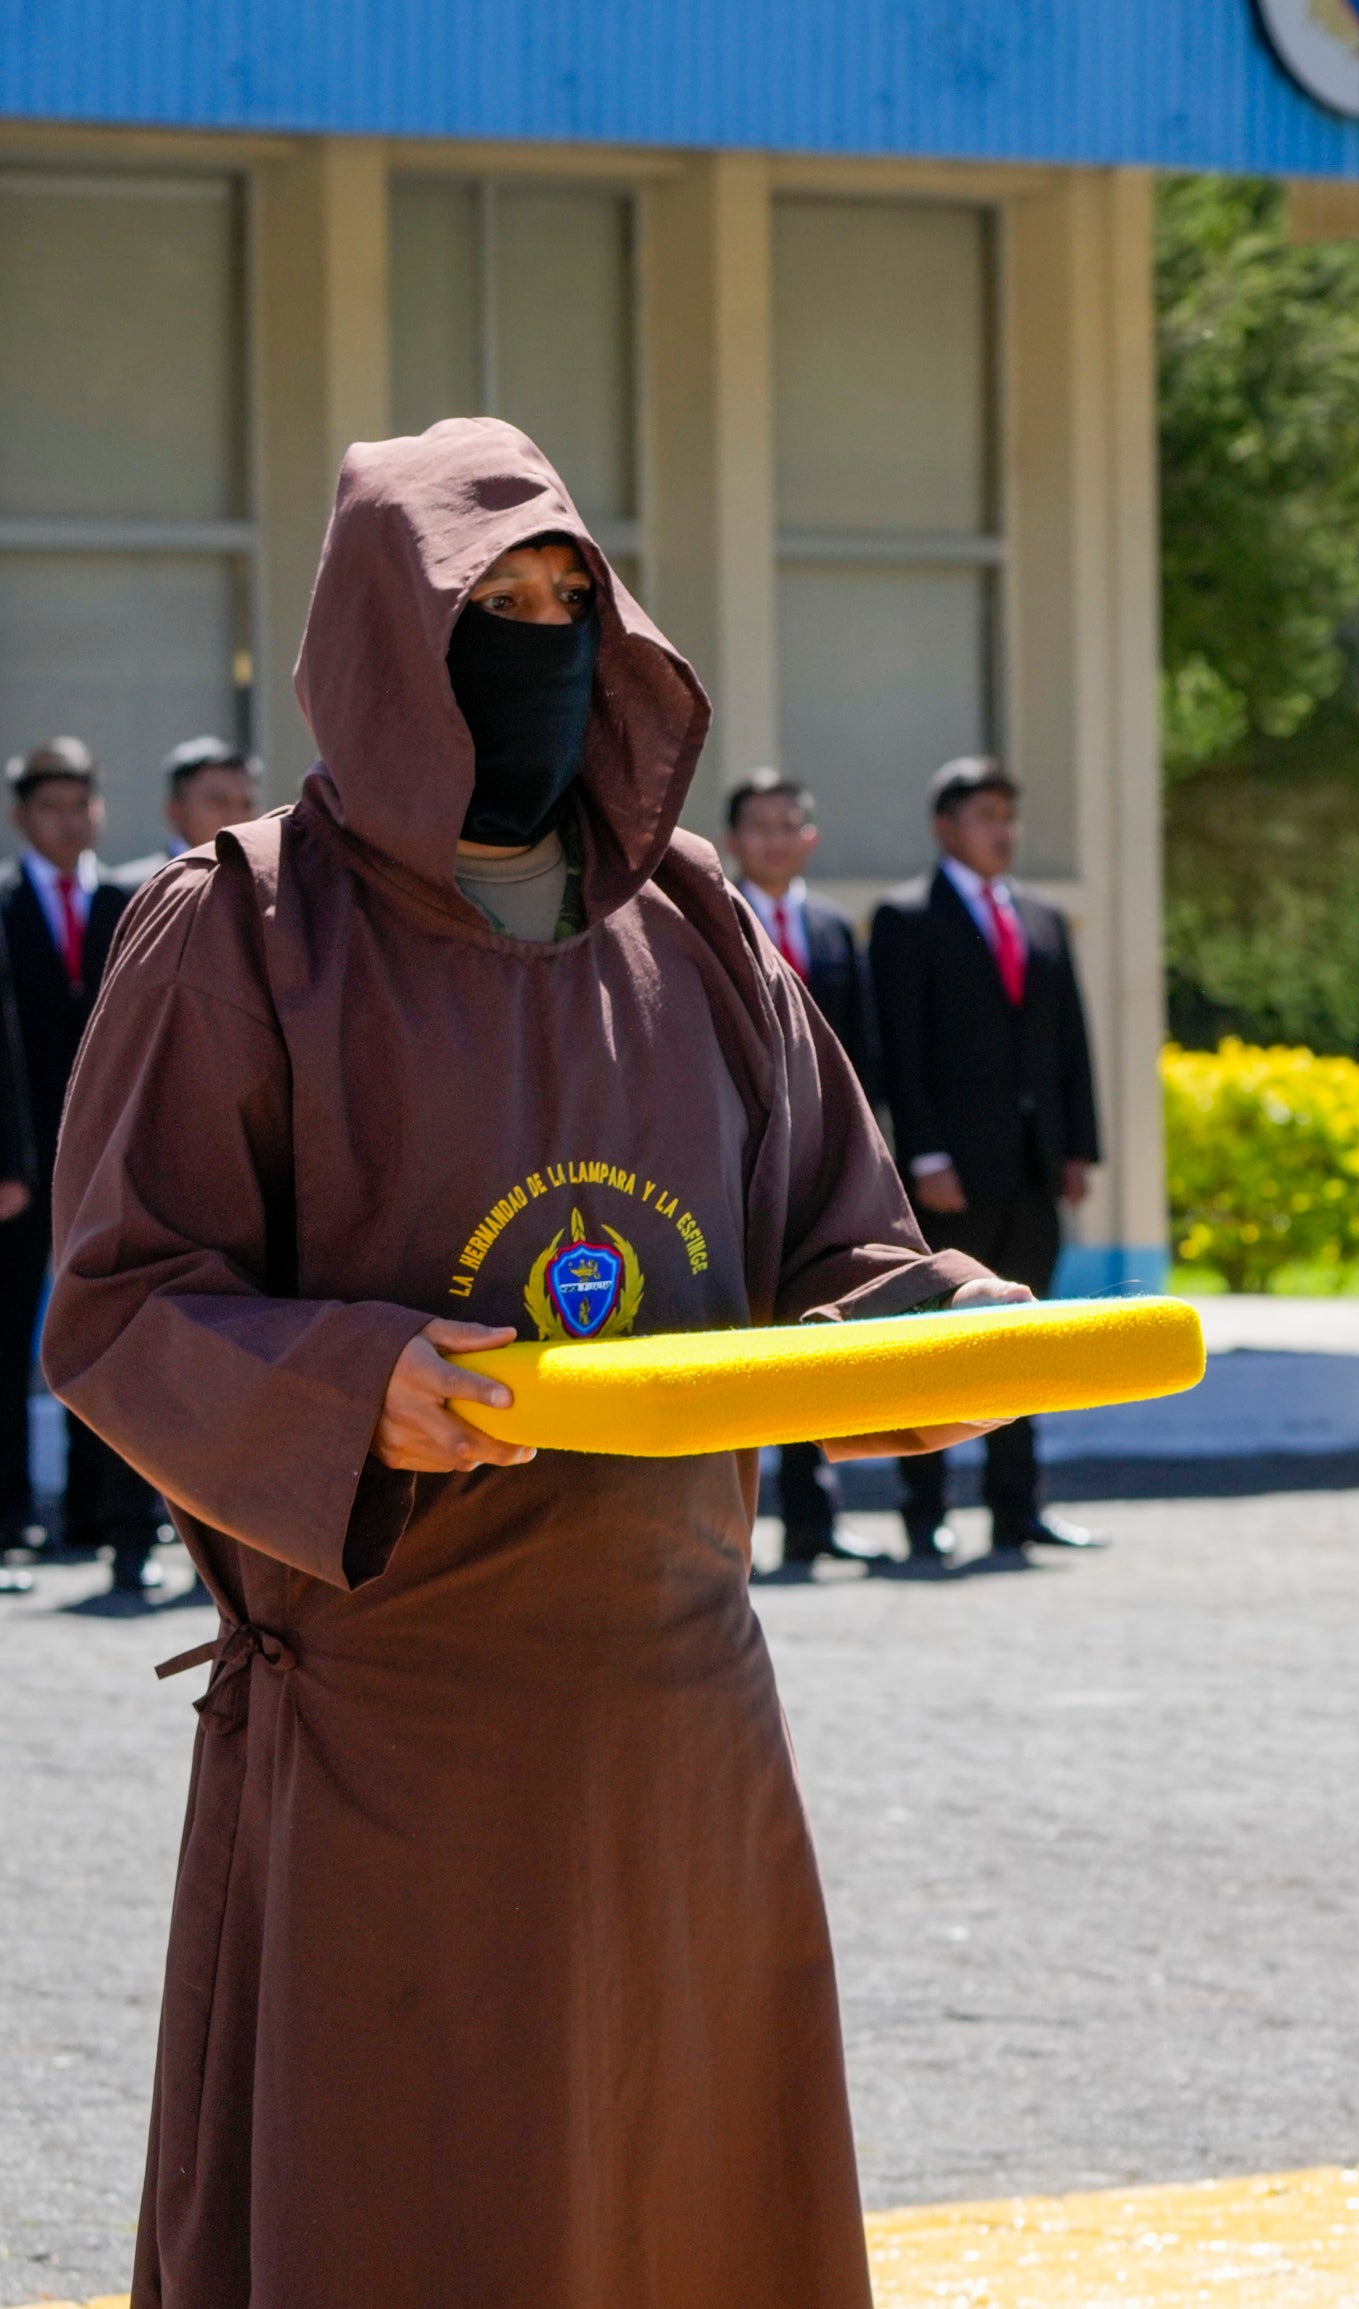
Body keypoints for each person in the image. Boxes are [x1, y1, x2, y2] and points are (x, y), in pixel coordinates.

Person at [42, 418, 1028, 2309]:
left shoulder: (702, 935)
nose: (540, 634)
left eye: (570, 596)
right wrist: (352, 1380)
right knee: (413, 2208)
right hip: (394, 1731)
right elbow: (117, 1299)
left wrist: (939, 1342)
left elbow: (843, 1257)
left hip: (679, 1717)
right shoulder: (241, 928)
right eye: (490, 602)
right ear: (375, 638)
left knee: (680, 2205)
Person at [871, 756, 1102, 1566]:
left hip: (1035, 1166)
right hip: (951, 1171)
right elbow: (900, 1050)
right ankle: (925, 1511)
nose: (1003, 830)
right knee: (939, 1340)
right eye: (985, 816)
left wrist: (1078, 1146)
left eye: (1009, 814)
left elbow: (1069, 1040)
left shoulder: (1040, 918)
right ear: (946, 826)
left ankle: (1018, 1508)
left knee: (1021, 1337)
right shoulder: (906, 918)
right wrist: (923, 1153)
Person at [4, 736, 164, 1591]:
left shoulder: (130, 900)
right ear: (22, 816)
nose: (71, 819)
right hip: (18, 1173)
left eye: (82, 802)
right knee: (7, 1343)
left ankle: (109, 1515)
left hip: (112, 1157)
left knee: (111, 1327)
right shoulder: (2, 907)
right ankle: (15, 1516)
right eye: (51, 806)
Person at [728, 765, 883, 1572]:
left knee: (815, 1332)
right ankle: (744, 1523)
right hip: (744, 1164)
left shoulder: (831, 930)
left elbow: (859, 1054)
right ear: (733, 841)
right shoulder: (709, 923)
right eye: (762, 826)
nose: (777, 839)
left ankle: (817, 1519)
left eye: (791, 824)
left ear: (810, 837)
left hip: (818, 1160)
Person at [149, 736, 266, 863]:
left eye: (247, 805)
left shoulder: (270, 880)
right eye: (219, 803)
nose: (236, 818)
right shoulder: (148, 882)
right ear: (175, 811)